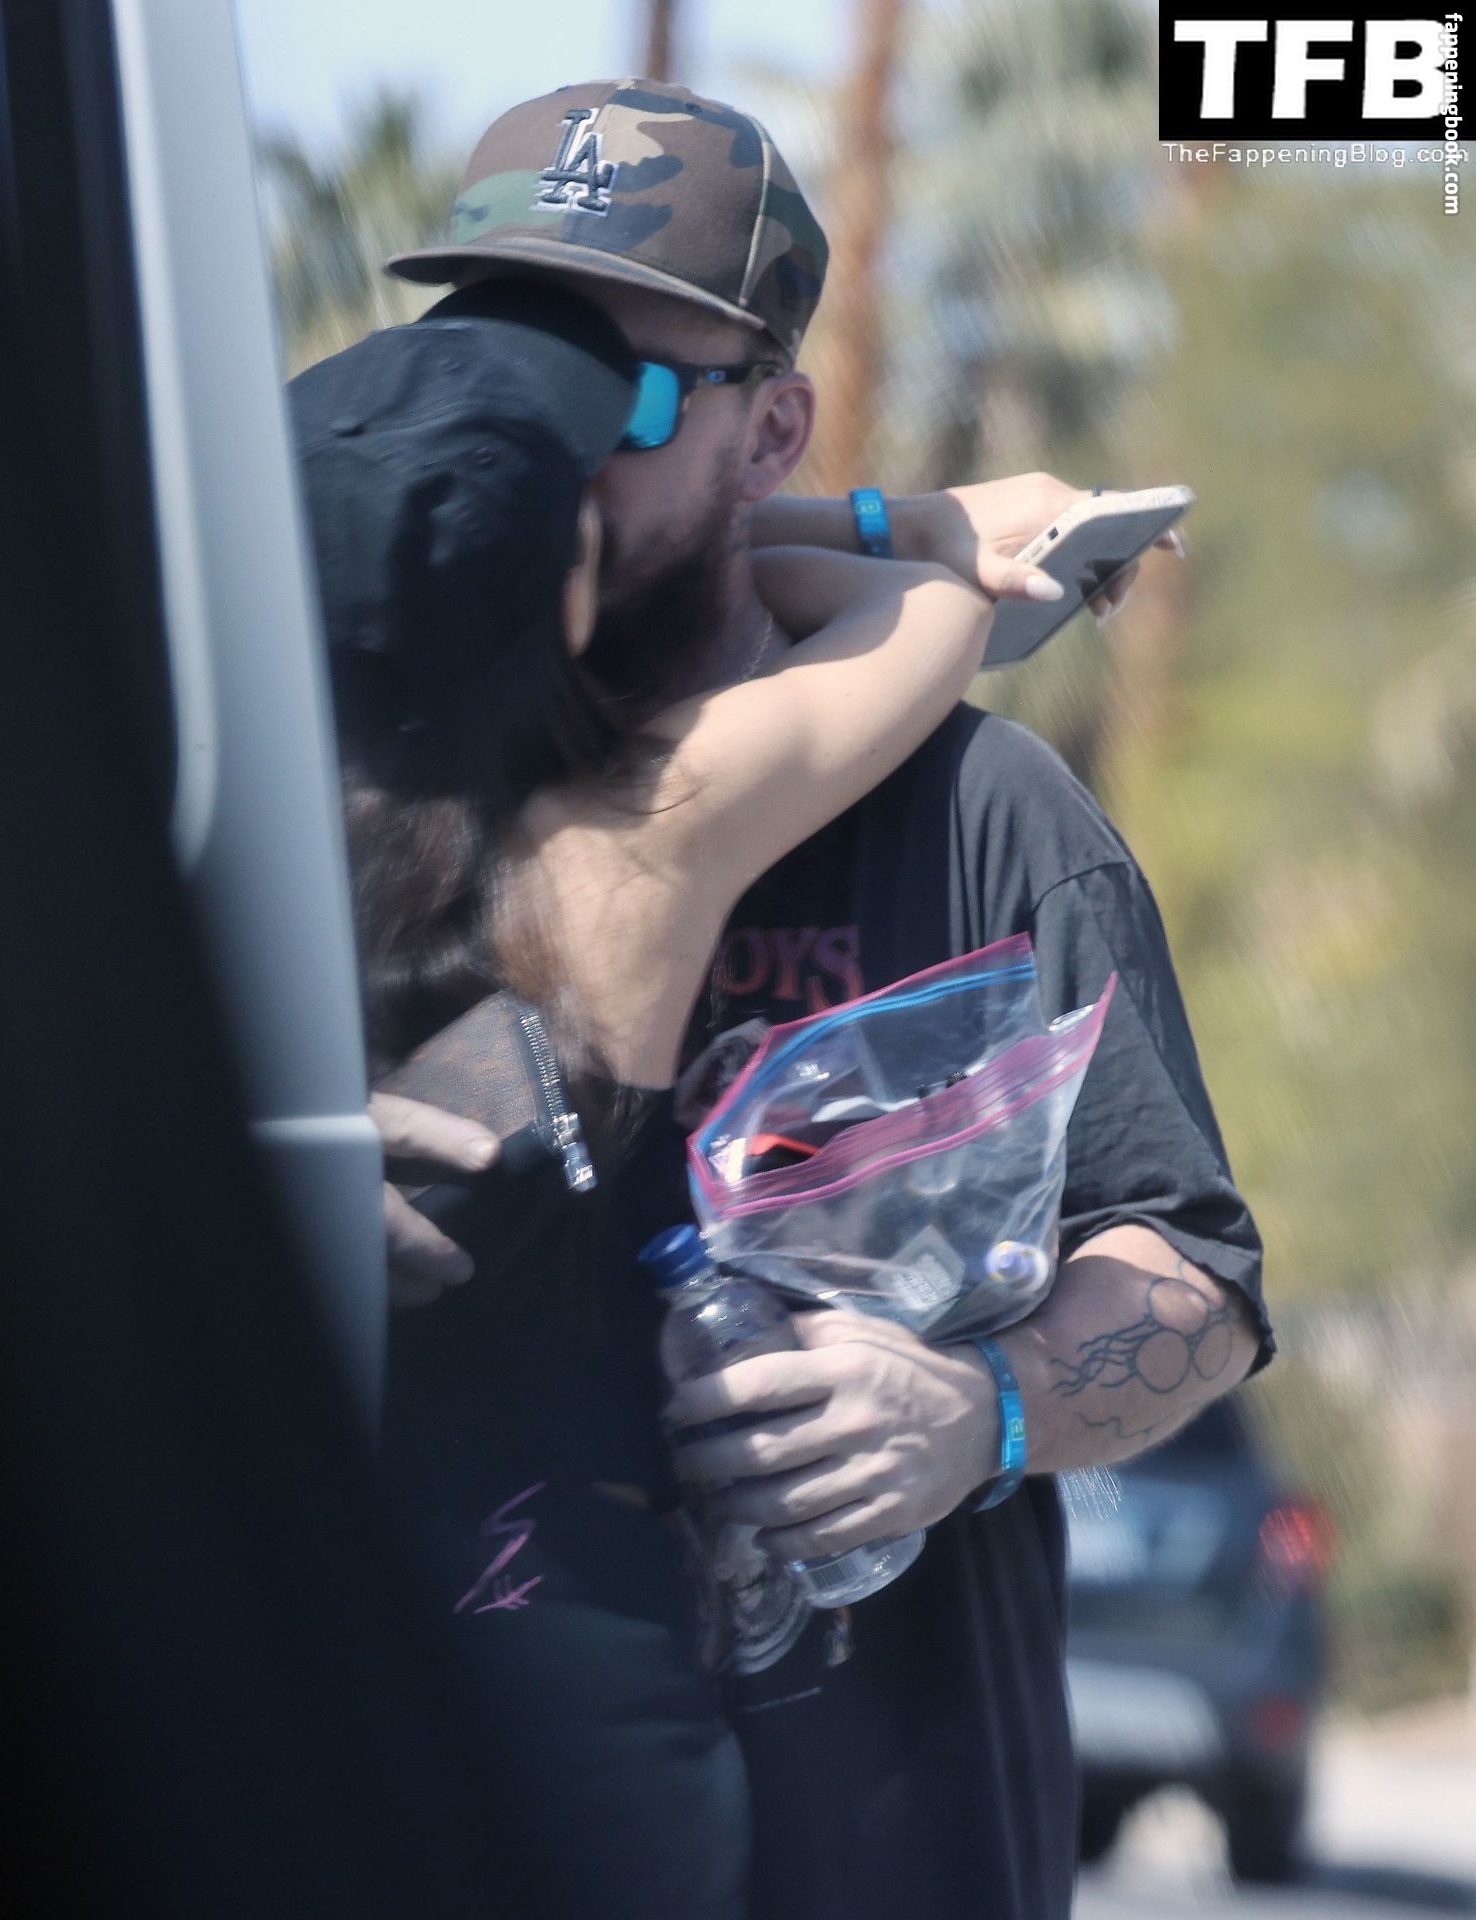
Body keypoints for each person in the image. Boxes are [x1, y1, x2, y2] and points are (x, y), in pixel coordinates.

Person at [374, 81, 1274, 1920]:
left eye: (624, 396)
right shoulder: (383, 801)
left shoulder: (983, 813)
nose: (551, 447)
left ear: (768, 425)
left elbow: (1196, 1280)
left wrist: (983, 1411)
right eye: (502, 372)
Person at [287, 275, 1072, 1917]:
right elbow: (923, 615)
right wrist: (896, 516)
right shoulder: (635, 840)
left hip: (314, 1628)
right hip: (558, 1669)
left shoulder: (229, 859)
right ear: (564, 585)